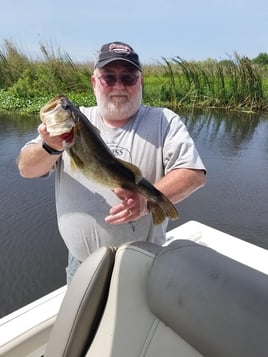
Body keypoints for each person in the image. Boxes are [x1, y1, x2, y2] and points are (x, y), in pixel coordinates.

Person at [17, 41, 206, 283]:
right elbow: (26, 168)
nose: (119, 86)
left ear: (141, 82)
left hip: (143, 263)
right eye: (108, 77)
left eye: (128, 78)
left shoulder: (164, 121)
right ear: (94, 82)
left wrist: (148, 200)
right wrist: (49, 146)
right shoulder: (70, 128)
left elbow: (193, 173)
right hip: (81, 265)